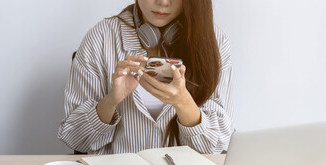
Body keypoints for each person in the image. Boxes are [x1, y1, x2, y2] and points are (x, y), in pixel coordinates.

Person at [58, 0, 234, 154]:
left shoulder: (214, 42)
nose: (163, 2)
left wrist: (183, 102)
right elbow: (75, 139)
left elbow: (216, 145)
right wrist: (111, 100)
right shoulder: (101, 38)